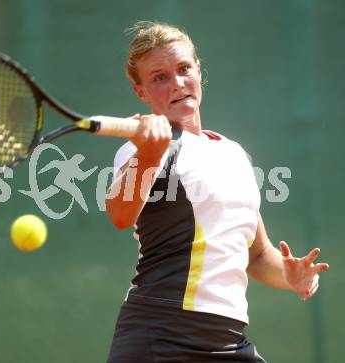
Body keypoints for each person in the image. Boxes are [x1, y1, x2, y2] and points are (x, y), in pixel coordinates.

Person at [104, 22, 330, 363]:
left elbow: (255, 254)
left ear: (198, 70)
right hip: (159, 334)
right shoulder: (144, 150)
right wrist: (148, 152)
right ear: (141, 92)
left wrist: (289, 275)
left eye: (183, 69)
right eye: (159, 77)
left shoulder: (233, 153)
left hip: (228, 340)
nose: (177, 83)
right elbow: (120, 215)